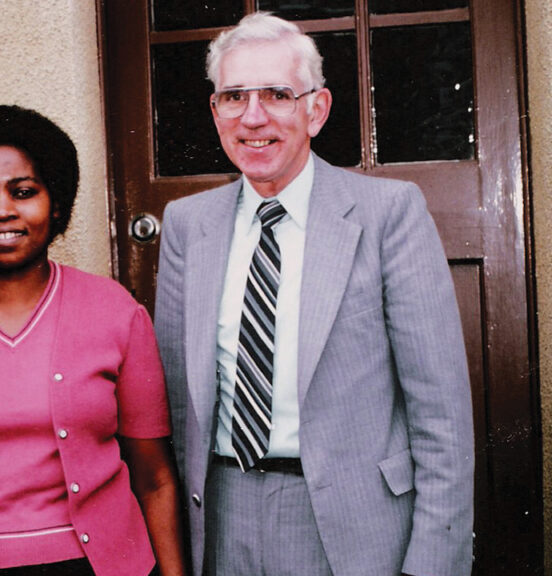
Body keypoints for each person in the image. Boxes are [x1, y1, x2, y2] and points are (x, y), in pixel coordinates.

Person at [154, 13, 474, 576]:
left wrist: (432, 563)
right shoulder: (187, 224)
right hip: (223, 517)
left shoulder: (387, 215)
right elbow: (179, 402)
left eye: (278, 94)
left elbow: (441, 413)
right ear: (215, 111)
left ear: (316, 110)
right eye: (234, 96)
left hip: (356, 528)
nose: (253, 117)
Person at [0, 105, 186, 576]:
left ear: (56, 204)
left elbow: (156, 479)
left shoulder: (115, 311)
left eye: (23, 192)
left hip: (94, 565)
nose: (1, 210)